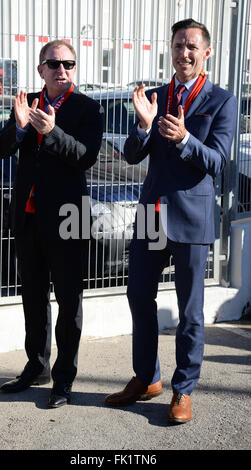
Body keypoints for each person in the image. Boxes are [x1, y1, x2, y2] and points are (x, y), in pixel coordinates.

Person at [105, 18, 237, 423]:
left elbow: (215, 161)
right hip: (151, 215)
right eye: (178, 45)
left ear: (206, 52)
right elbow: (130, 155)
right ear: (172, 49)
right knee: (137, 296)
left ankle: (183, 390)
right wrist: (144, 126)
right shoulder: (157, 95)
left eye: (192, 46)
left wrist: (184, 139)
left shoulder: (222, 101)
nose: (184, 53)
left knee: (190, 310)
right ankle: (147, 378)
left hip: (193, 218)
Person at [0, 40, 103, 408]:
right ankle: (36, 365)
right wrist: (21, 128)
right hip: (27, 218)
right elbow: (1, 148)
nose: (62, 71)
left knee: (69, 301)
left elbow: (86, 157)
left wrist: (53, 132)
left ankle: (64, 379)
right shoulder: (28, 103)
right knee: (33, 296)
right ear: (41, 69)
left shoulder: (88, 108)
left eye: (69, 64)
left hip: (69, 218)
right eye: (54, 64)